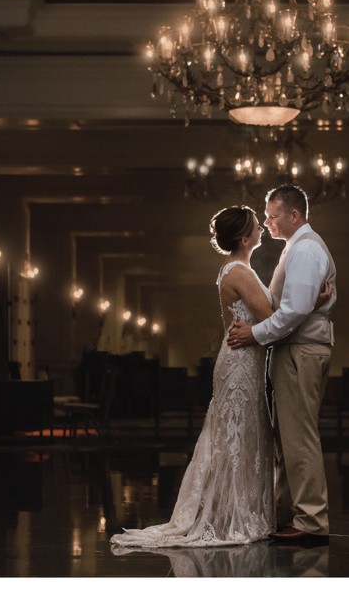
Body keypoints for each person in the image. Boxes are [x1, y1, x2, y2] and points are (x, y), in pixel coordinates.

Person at [110, 205, 277, 548]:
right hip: (241, 362)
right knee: (235, 438)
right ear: (245, 237)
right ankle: (232, 515)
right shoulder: (239, 271)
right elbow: (270, 316)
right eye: (257, 226)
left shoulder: (234, 268)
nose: (262, 228)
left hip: (241, 358)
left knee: (238, 437)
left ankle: (235, 509)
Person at [227, 184, 337, 544]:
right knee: (290, 437)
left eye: (273, 216)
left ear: (294, 214)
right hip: (297, 349)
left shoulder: (304, 249)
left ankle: (311, 521)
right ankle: (291, 513)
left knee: (299, 436)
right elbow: (294, 303)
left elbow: (292, 311)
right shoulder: (299, 248)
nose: (268, 222)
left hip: (300, 351)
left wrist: (255, 334)